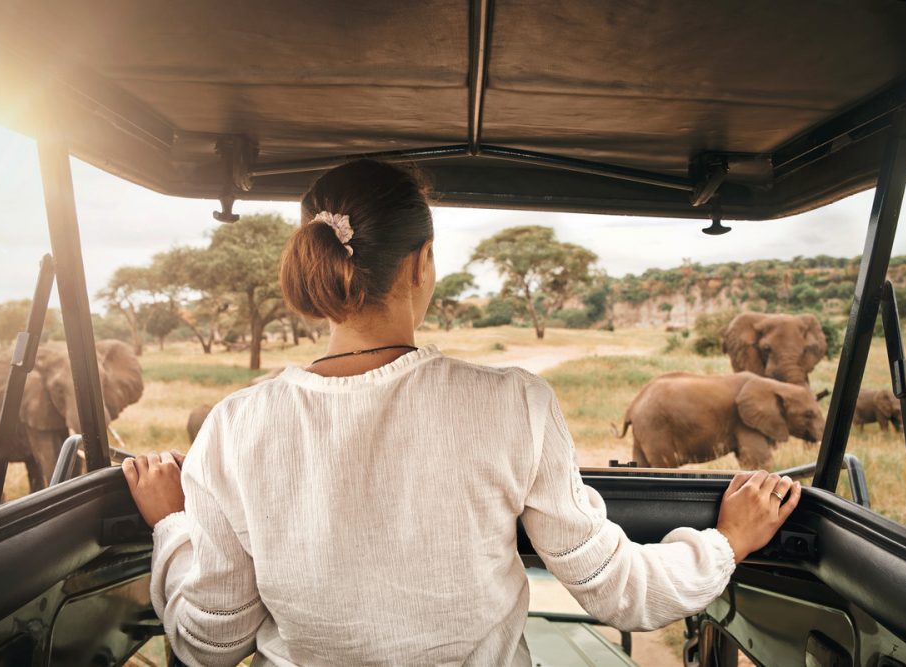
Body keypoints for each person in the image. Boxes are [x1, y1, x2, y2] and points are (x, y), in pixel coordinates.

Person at [122, 159, 801, 666]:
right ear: (422, 264)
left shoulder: (235, 427)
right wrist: (727, 541)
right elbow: (621, 591)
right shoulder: (513, 403)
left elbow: (208, 640)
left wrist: (174, 523)